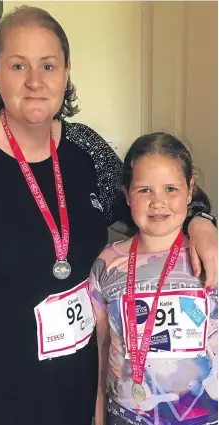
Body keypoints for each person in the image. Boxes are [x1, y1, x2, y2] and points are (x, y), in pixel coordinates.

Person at [0, 5, 217, 425]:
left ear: (66, 72)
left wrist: (201, 221)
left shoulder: (86, 146)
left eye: (48, 65)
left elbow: (149, 201)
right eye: (18, 65)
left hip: (84, 375)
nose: (34, 80)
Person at [89, 132, 218, 425]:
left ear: (190, 191)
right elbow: (100, 350)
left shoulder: (212, 256)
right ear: (127, 194)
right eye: (144, 190)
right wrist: (98, 415)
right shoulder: (107, 264)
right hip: (127, 416)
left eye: (171, 188)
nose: (158, 202)